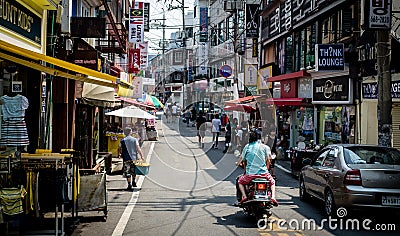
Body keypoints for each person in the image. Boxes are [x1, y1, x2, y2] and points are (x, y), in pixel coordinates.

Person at [236, 128, 278, 206]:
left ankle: (244, 196)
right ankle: (273, 197)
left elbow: (241, 159)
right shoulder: (265, 147)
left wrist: (237, 163)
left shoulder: (247, 147)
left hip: (250, 175)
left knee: (240, 181)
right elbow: (269, 158)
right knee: (272, 182)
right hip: (264, 174)